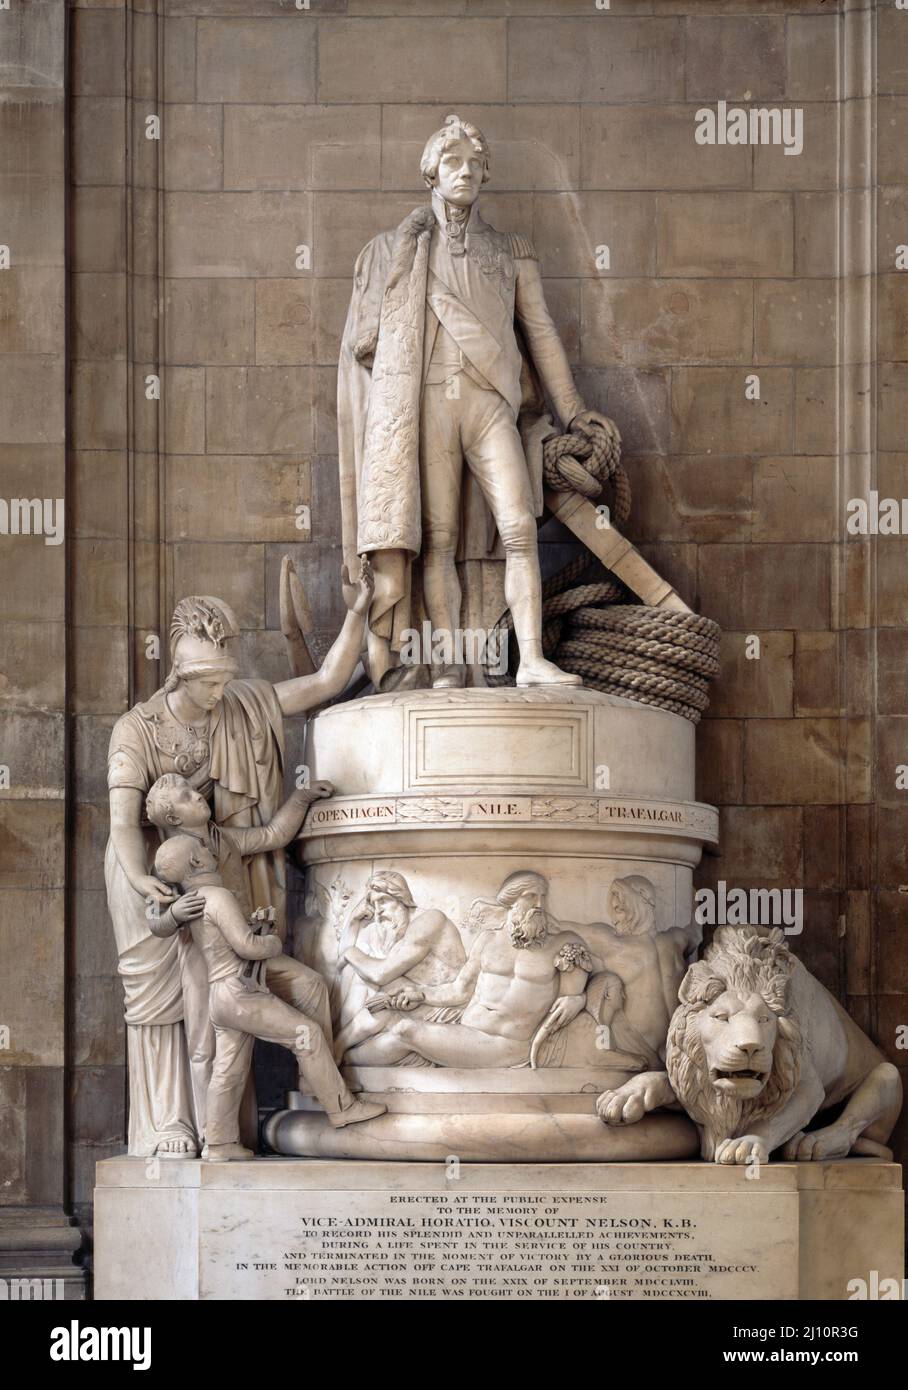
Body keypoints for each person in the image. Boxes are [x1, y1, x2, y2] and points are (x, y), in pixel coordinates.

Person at [338, 116, 620, 689]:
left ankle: (534, 659)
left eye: (472, 163)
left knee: (517, 524)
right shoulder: (400, 249)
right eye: (451, 162)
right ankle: (446, 662)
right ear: (432, 174)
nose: (463, 171)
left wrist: (572, 410)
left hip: (491, 405)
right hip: (431, 401)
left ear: (485, 172)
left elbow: (540, 335)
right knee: (438, 539)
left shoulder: (511, 250)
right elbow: (365, 346)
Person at [105, 560, 374, 1158]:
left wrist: (358, 611)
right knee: (161, 997)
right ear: (179, 674)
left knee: (215, 1001)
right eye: (207, 683)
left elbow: (328, 681)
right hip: (147, 870)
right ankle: (168, 1122)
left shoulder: (243, 705)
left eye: (224, 680)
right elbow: (125, 824)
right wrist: (143, 879)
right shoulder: (137, 730)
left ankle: (221, 1132)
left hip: (217, 859)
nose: (219, 693)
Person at [153, 835, 385, 1162]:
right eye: (203, 847)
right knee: (308, 1034)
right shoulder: (218, 897)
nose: (209, 848)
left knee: (228, 1070)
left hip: (221, 998)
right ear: (196, 862)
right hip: (241, 992)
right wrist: (273, 943)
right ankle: (342, 1108)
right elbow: (246, 946)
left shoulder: (197, 899)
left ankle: (219, 1144)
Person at [362, 871, 592, 1068]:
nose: (540, 905)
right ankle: (344, 1069)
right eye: (531, 897)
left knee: (405, 1030)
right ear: (511, 902)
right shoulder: (488, 940)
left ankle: (340, 1073)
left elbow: (567, 1001)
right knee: (394, 1026)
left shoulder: (565, 943)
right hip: (469, 1030)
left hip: (506, 1043)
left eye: (543, 898)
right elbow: (459, 990)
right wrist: (421, 994)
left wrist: (579, 998)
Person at [331, 870, 466, 1064]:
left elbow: (379, 974)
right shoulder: (397, 933)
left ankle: (338, 1052)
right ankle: (339, 1050)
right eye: (373, 904)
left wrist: (350, 952)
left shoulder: (430, 920)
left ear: (402, 899)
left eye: (383, 901)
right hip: (416, 1005)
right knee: (373, 983)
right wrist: (353, 920)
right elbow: (341, 966)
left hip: (447, 1008)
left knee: (378, 983)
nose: (378, 911)